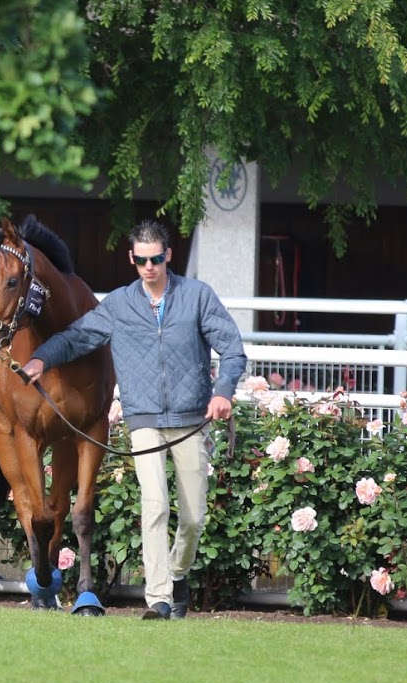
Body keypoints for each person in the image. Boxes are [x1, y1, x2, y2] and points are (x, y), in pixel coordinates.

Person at [21, 219, 247, 621]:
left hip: (191, 418)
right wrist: (42, 358)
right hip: (144, 419)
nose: (149, 267)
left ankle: (177, 574)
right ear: (132, 259)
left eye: (156, 259)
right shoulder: (120, 304)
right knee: (155, 503)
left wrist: (223, 392)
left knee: (194, 516)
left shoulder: (197, 296)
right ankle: (158, 599)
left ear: (168, 256)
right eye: (142, 260)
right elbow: (78, 337)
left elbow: (232, 349)